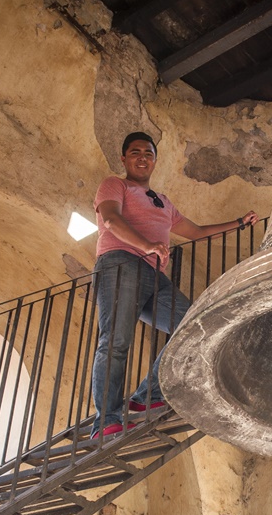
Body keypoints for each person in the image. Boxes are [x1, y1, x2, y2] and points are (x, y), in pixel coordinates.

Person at [89, 132, 258, 438]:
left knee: (192, 325)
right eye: (136, 152)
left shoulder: (164, 203)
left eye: (149, 153)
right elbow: (111, 220)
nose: (143, 158)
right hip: (120, 264)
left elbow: (195, 231)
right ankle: (106, 418)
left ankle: (147, 395)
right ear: (125, 158)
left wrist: (238, 223)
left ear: (154, 160)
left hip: (153, 275)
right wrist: (147, 245)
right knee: (115, 342)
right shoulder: (115, 185)